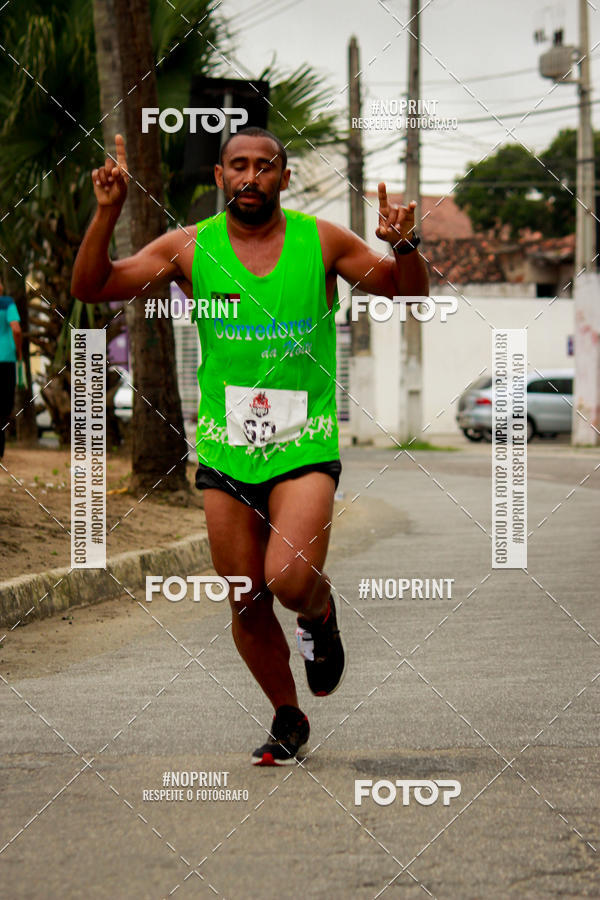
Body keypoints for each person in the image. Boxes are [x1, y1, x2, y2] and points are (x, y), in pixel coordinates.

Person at [72, 128, 429, 765]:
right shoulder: (191, 248)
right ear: (219, 175)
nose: (252, 177)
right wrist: (107, 214)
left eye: (266, 167)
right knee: (245, 592)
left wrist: (404, 245)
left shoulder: (320, 241)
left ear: (283, 179)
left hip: (305, 439)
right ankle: (287, 716)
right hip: (227, 449)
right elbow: (93, 286)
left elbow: (409, 293)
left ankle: (317, 612)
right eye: (239, 165)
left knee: (288, 579)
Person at [0, 280, 23, 460]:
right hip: (6, 359)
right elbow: (16, 329)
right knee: (4, 406)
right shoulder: (7, 303)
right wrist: (20, 351)